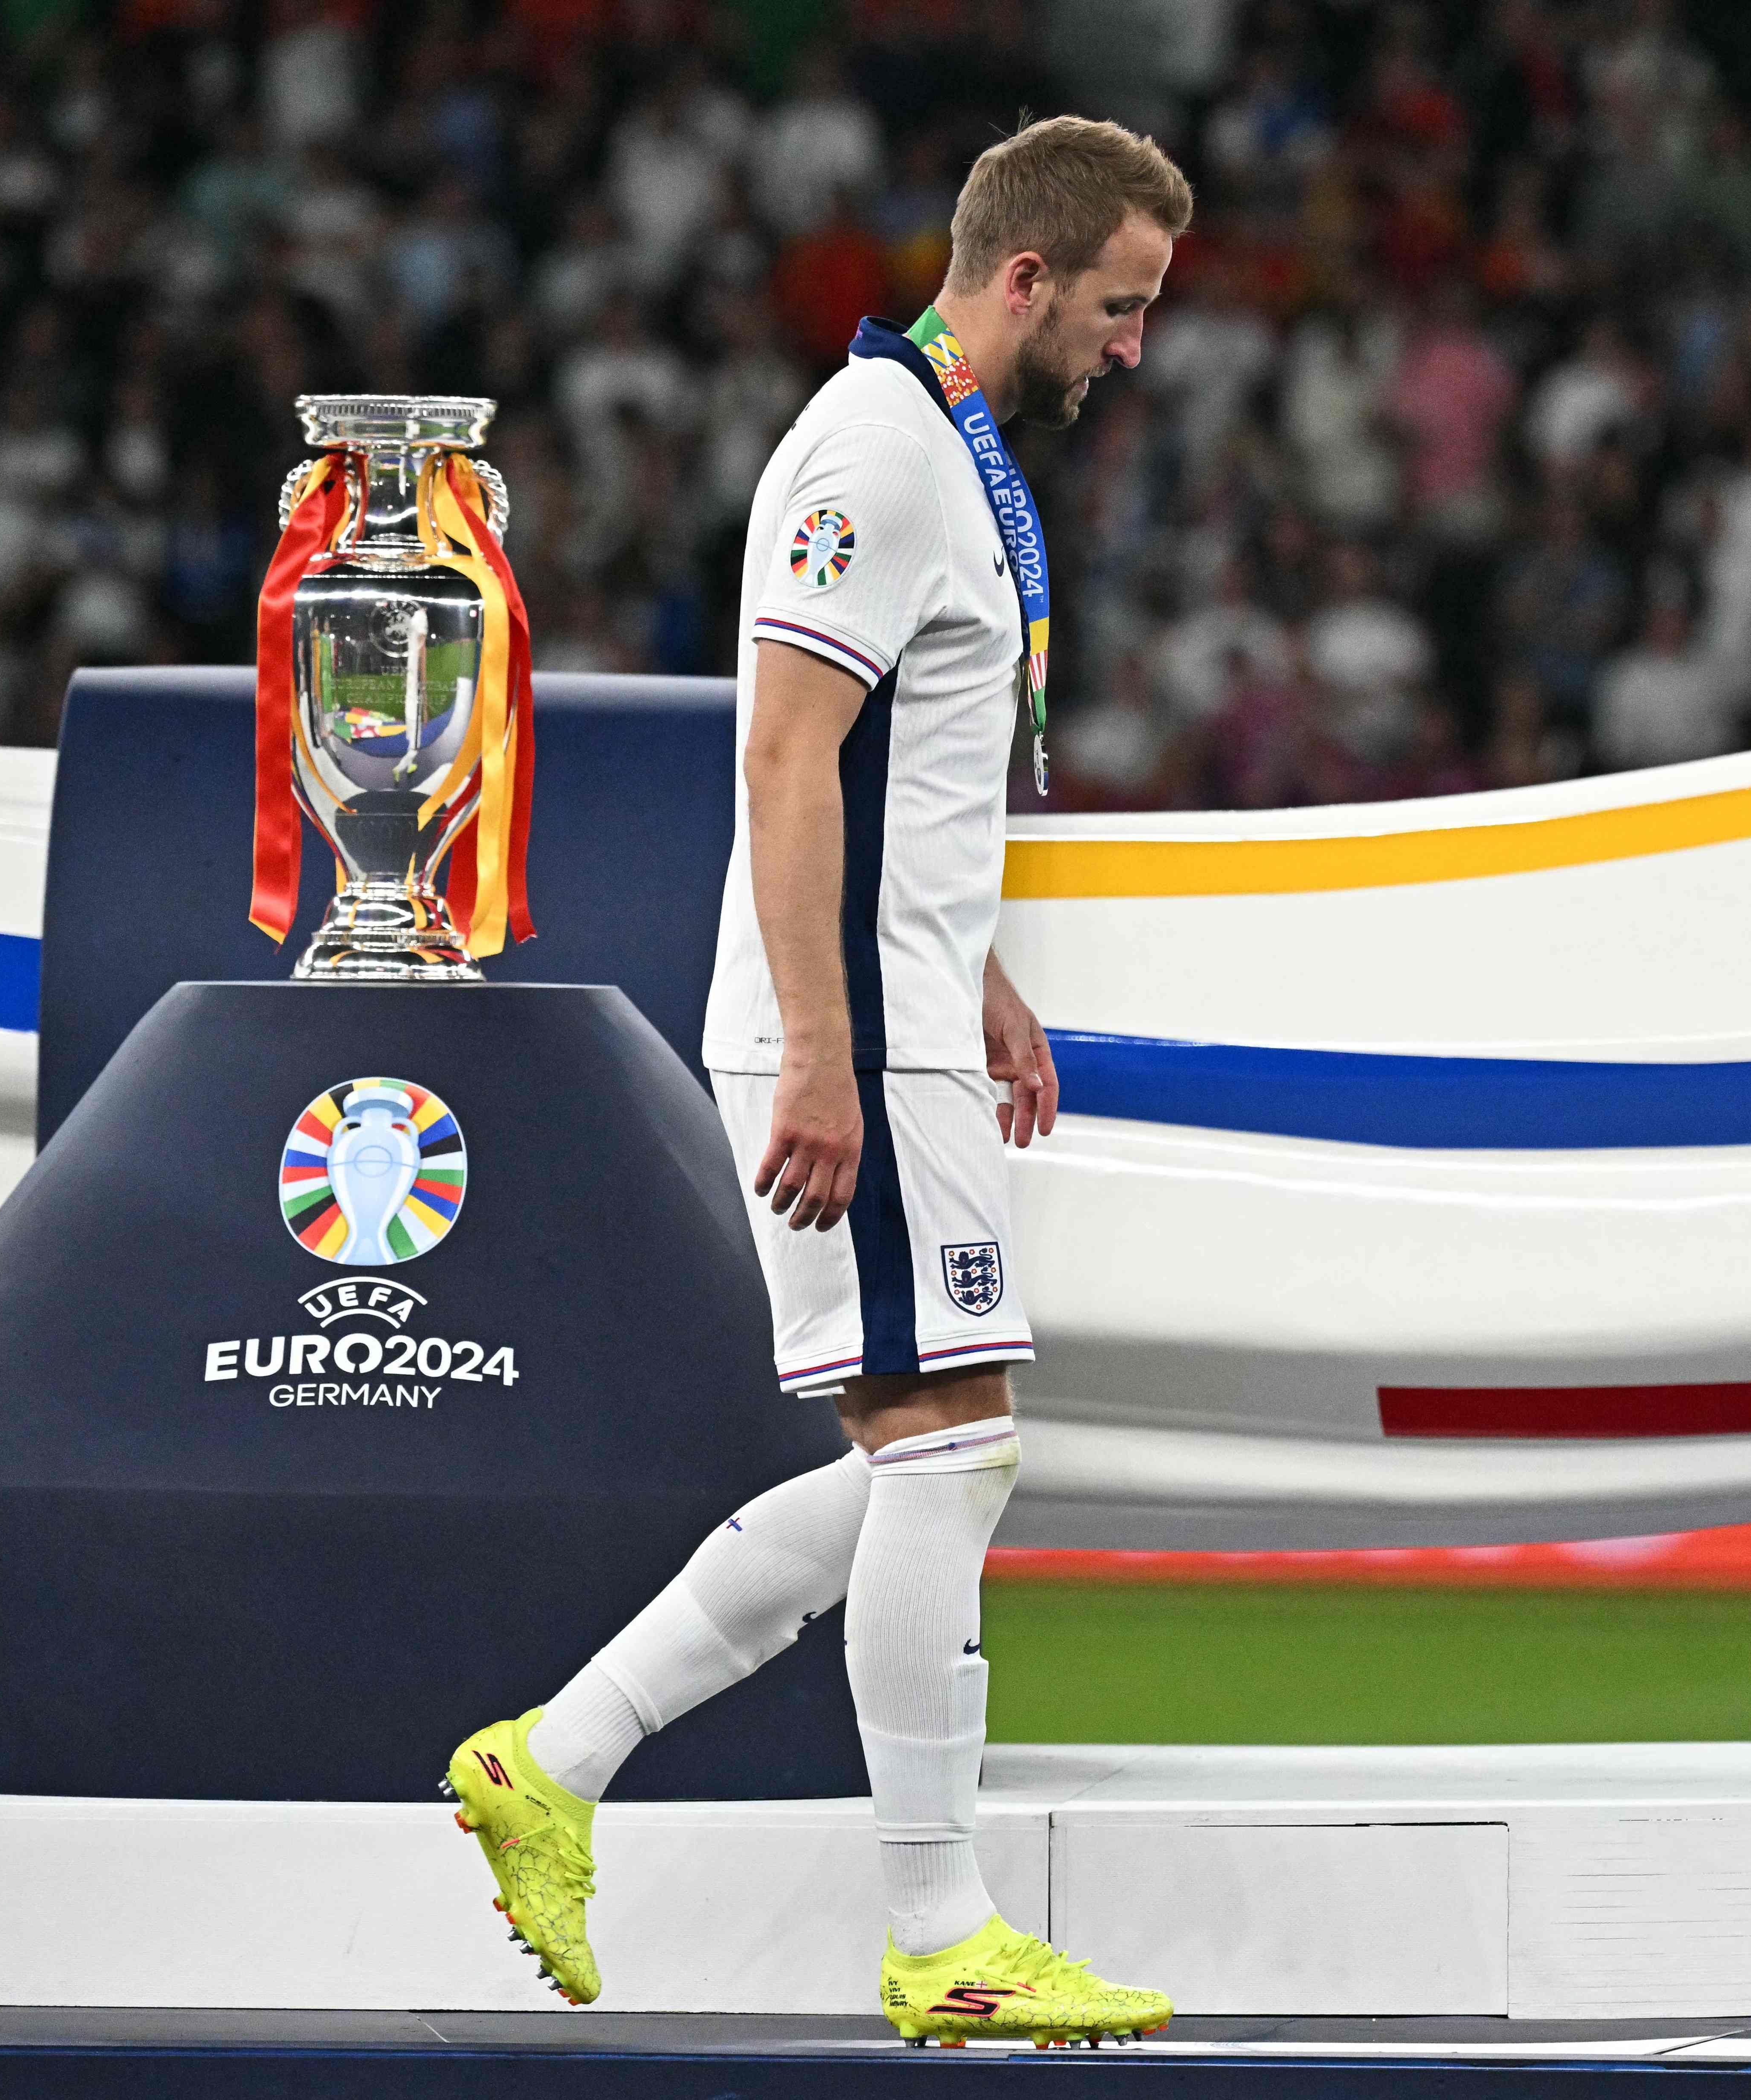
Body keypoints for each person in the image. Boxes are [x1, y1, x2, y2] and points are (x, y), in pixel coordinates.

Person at [440, 116, 1192, 2046]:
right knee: (950, 1454)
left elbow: (887, 778)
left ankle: (553, 1758)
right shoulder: (873, 455)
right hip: (846, 1032)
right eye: (1118, 307)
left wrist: (979, 973)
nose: (1131, 346)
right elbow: (784, 753)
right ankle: (939, 1932)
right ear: (1022, 277)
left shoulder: (942, 448)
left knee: (904, 1469)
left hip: (902, 1012)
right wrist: (826, 1050)